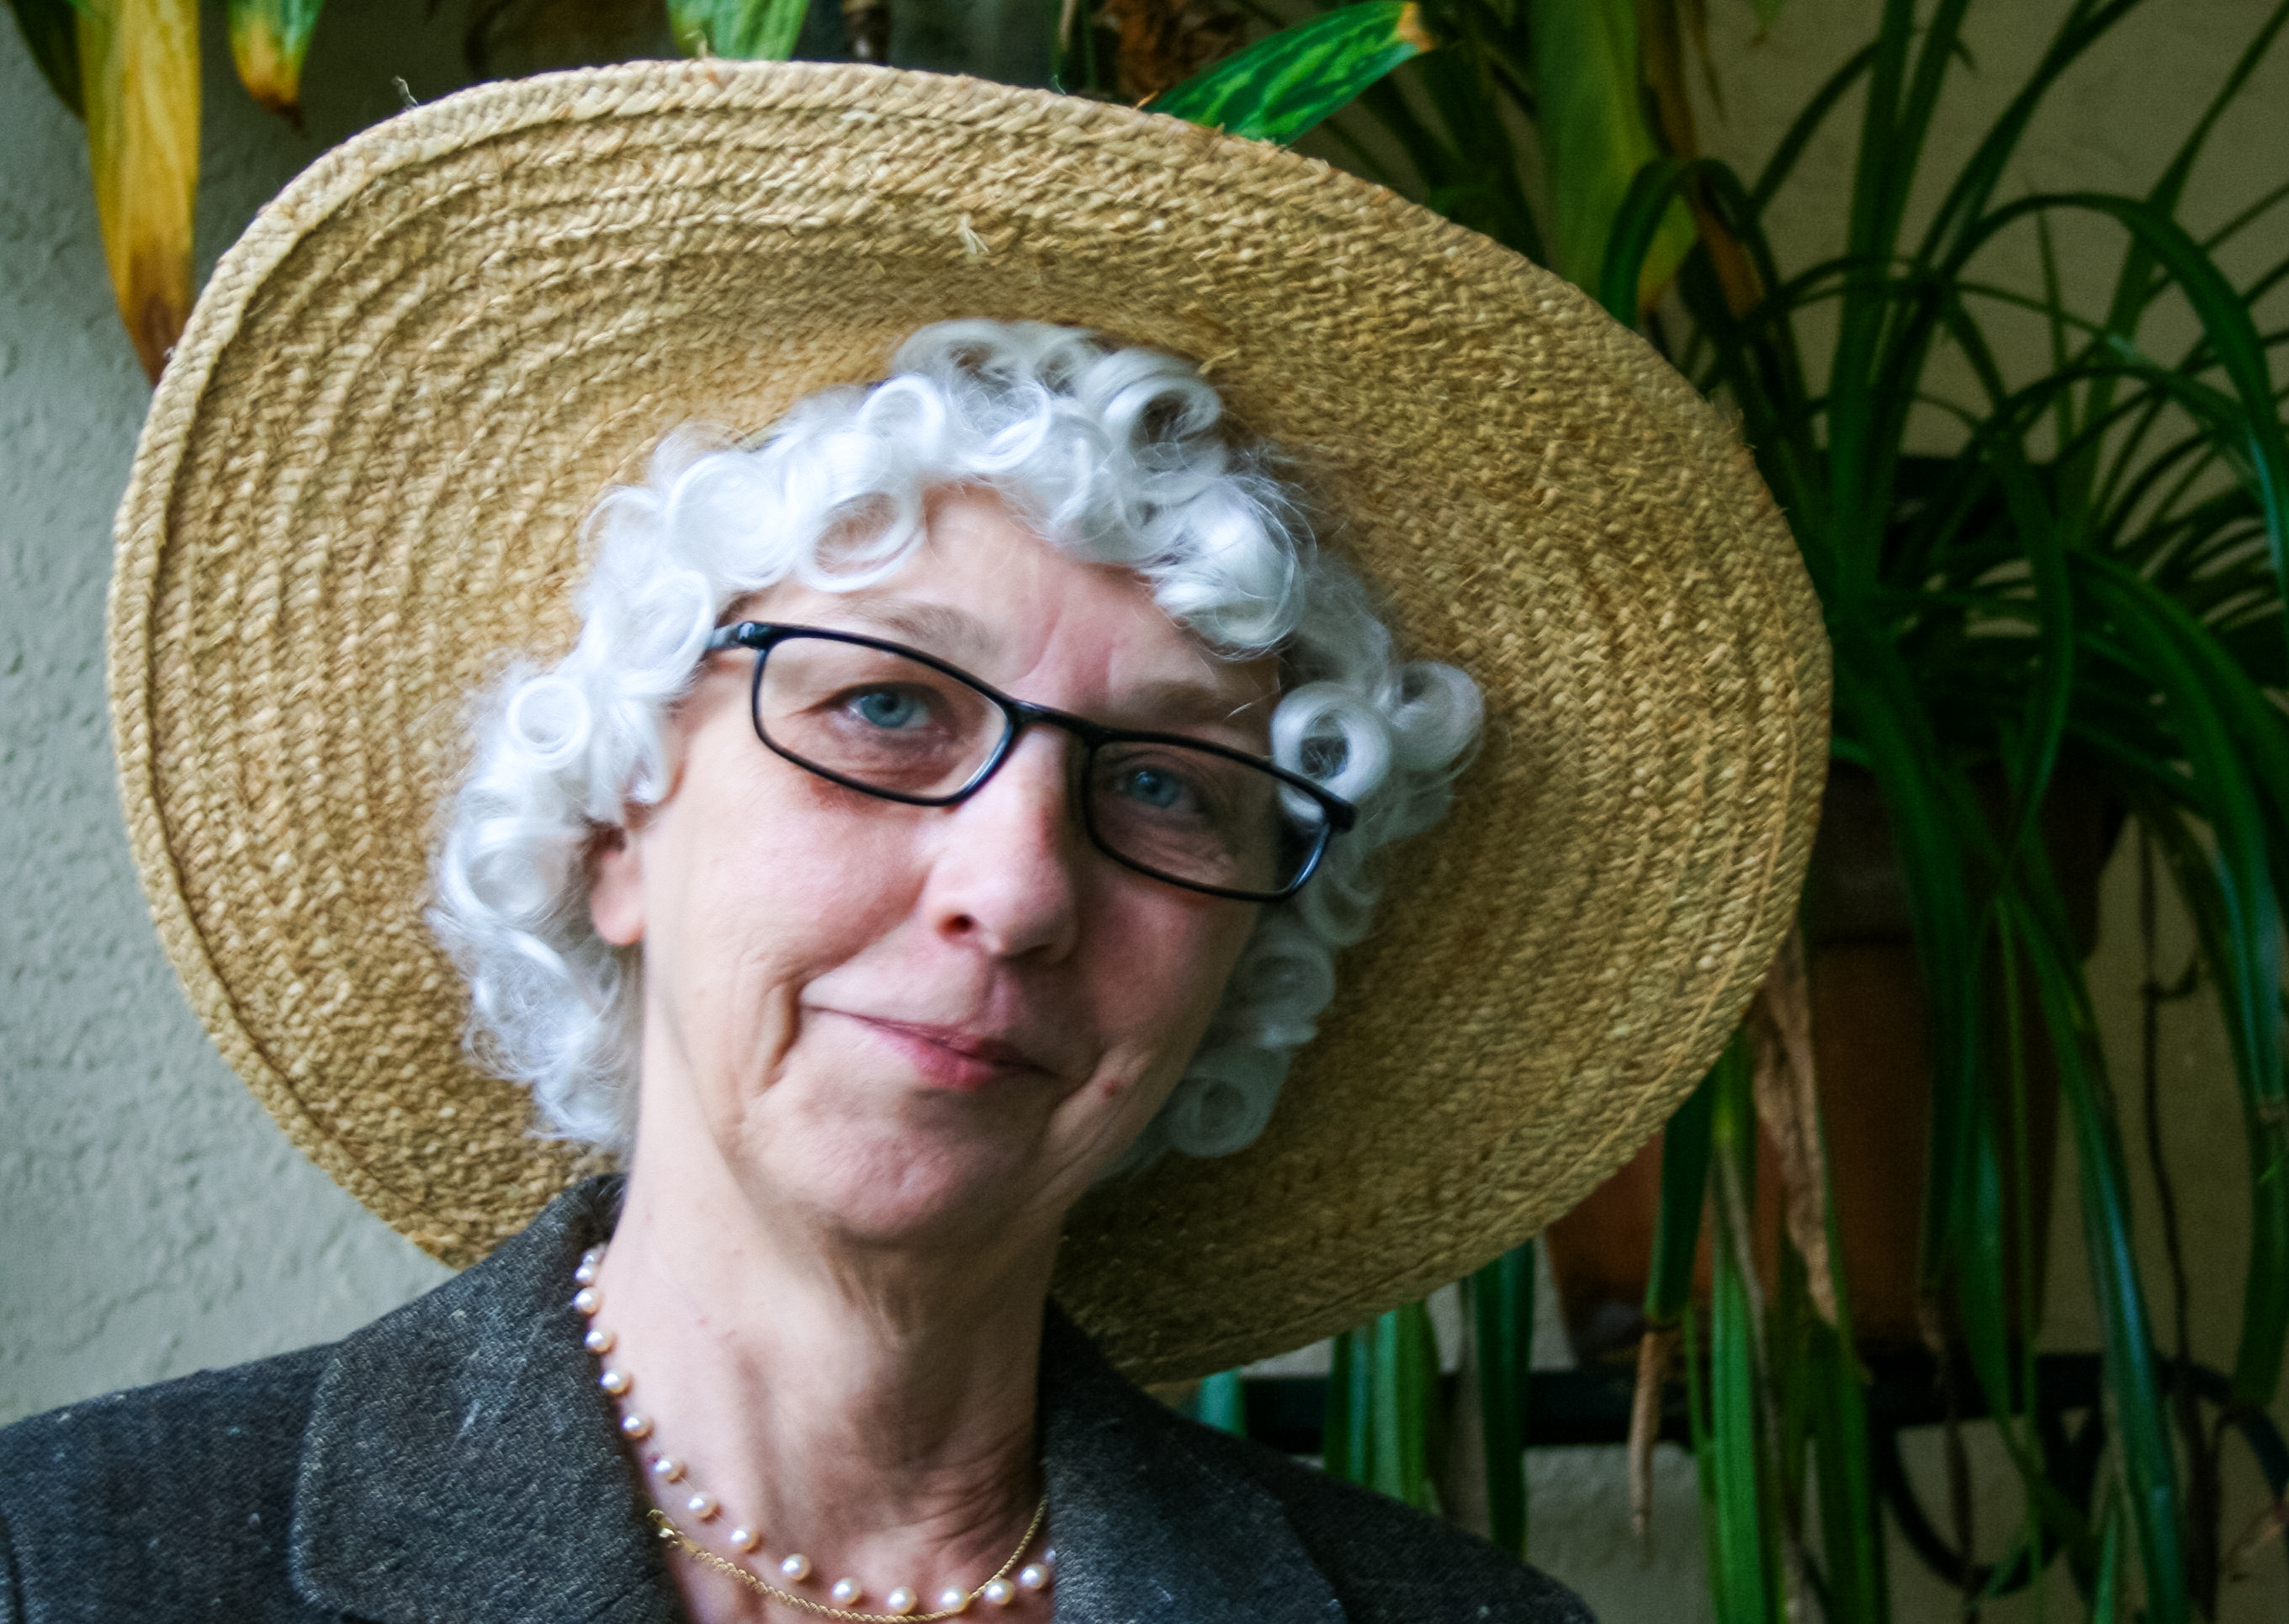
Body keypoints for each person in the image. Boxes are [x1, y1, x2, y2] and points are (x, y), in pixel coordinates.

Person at [0, 58, 1826, 1624]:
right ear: (613, 817)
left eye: (1165, 786)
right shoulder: (65, 1567)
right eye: (886, 708)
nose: (1015, 891)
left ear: (1244, 971)